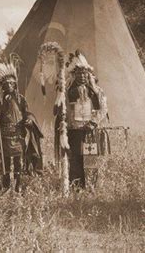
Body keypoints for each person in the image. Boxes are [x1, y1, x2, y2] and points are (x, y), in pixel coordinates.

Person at [0, 58, 43, 192]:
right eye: (6, 84)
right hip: (4, 134)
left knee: (19, 160)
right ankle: (6, 184)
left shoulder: (20, 99)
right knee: (5, 160)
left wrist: (29, 120)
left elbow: (27, 113)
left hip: (18, 133)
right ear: (2, 86)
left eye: (11, 84)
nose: (9, 86)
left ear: (15, 85)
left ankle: (18, 185)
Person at [61, 50, 108, 188]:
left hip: (90, 132)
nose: (82, 76)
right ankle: (76, 187)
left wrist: (93, 122)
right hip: (74, 131)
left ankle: (91, 188)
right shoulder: (67, 92)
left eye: (84, 73)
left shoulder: (96, 91)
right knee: (75, 159)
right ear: (74, 75)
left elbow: (103, 108)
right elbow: (62, 110)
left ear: (88, 74)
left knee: (90, 160)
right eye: (79, 73)